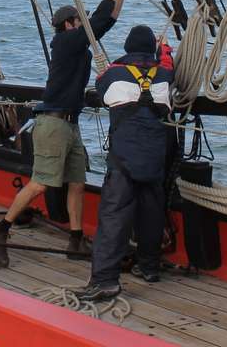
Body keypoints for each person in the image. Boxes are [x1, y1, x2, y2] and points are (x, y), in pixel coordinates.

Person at [0, 0, 131, 267]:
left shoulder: (75, 44)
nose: (83, 25)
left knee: (76, 182)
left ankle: (75, 240)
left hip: (71, 125)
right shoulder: (66, 43)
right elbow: (100, 23)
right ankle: (1, 230)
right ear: (69, 24)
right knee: (40, 183)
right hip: (52, 124)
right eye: (80, 21)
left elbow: (106, 23)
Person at [75, 25, 174, 301]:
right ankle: (149, 267)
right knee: (152, 213)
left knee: (114, 217)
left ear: (129, 47)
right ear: (150, 49)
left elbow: (100, 83)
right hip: (155, 156)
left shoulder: (114, 74)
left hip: (124, 157)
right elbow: (168, 64)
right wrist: (163, 49)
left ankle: (106, 279)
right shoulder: (164, 74)